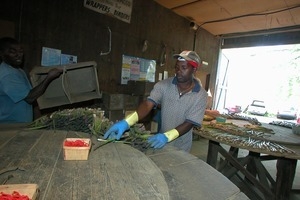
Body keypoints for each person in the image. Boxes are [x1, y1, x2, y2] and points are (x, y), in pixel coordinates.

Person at [104, 50, 208, 152]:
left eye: (184, 67)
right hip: (161, 143)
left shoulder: (200, 95)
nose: (178, 71)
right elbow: (148, 104)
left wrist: (167, 137)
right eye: (177, 67)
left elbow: (189, 123)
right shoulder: (163, 85)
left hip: (182, 146)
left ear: (194, 70)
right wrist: (127, 122)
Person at [0, 37, 63, 123]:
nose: (19, 55)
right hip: (9, 125)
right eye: (12, 52)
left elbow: (31, 94)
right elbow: (30, 98)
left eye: (20, 51)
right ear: (2, 54)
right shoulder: (7, 74)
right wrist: (49, 78)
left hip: (21, 124)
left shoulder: (18, 70)